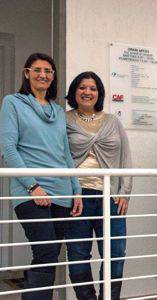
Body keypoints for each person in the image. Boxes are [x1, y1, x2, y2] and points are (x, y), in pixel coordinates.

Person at [0, 53, 82, 300]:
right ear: (27, 73)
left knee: (50, 256)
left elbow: (65, 154)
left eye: (48, 71)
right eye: (37, 70)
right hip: (30, 192)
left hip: (62, 193)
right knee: (45, 252)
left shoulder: (58, 111)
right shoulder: (13, 103)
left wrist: (76, 190)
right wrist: (33, 186)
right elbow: (8, 148)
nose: (43, 75)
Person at [65, 71, 133, 300]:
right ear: (75, 91)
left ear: (99, 93)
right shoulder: (64, 120)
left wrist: (125, 193)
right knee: (77, 255)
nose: (87, 92)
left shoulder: (113, 121)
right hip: (77, 197)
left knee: (115, 255)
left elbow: (125, 158)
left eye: (93, 88)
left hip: (111, 197)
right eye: (82, 87)